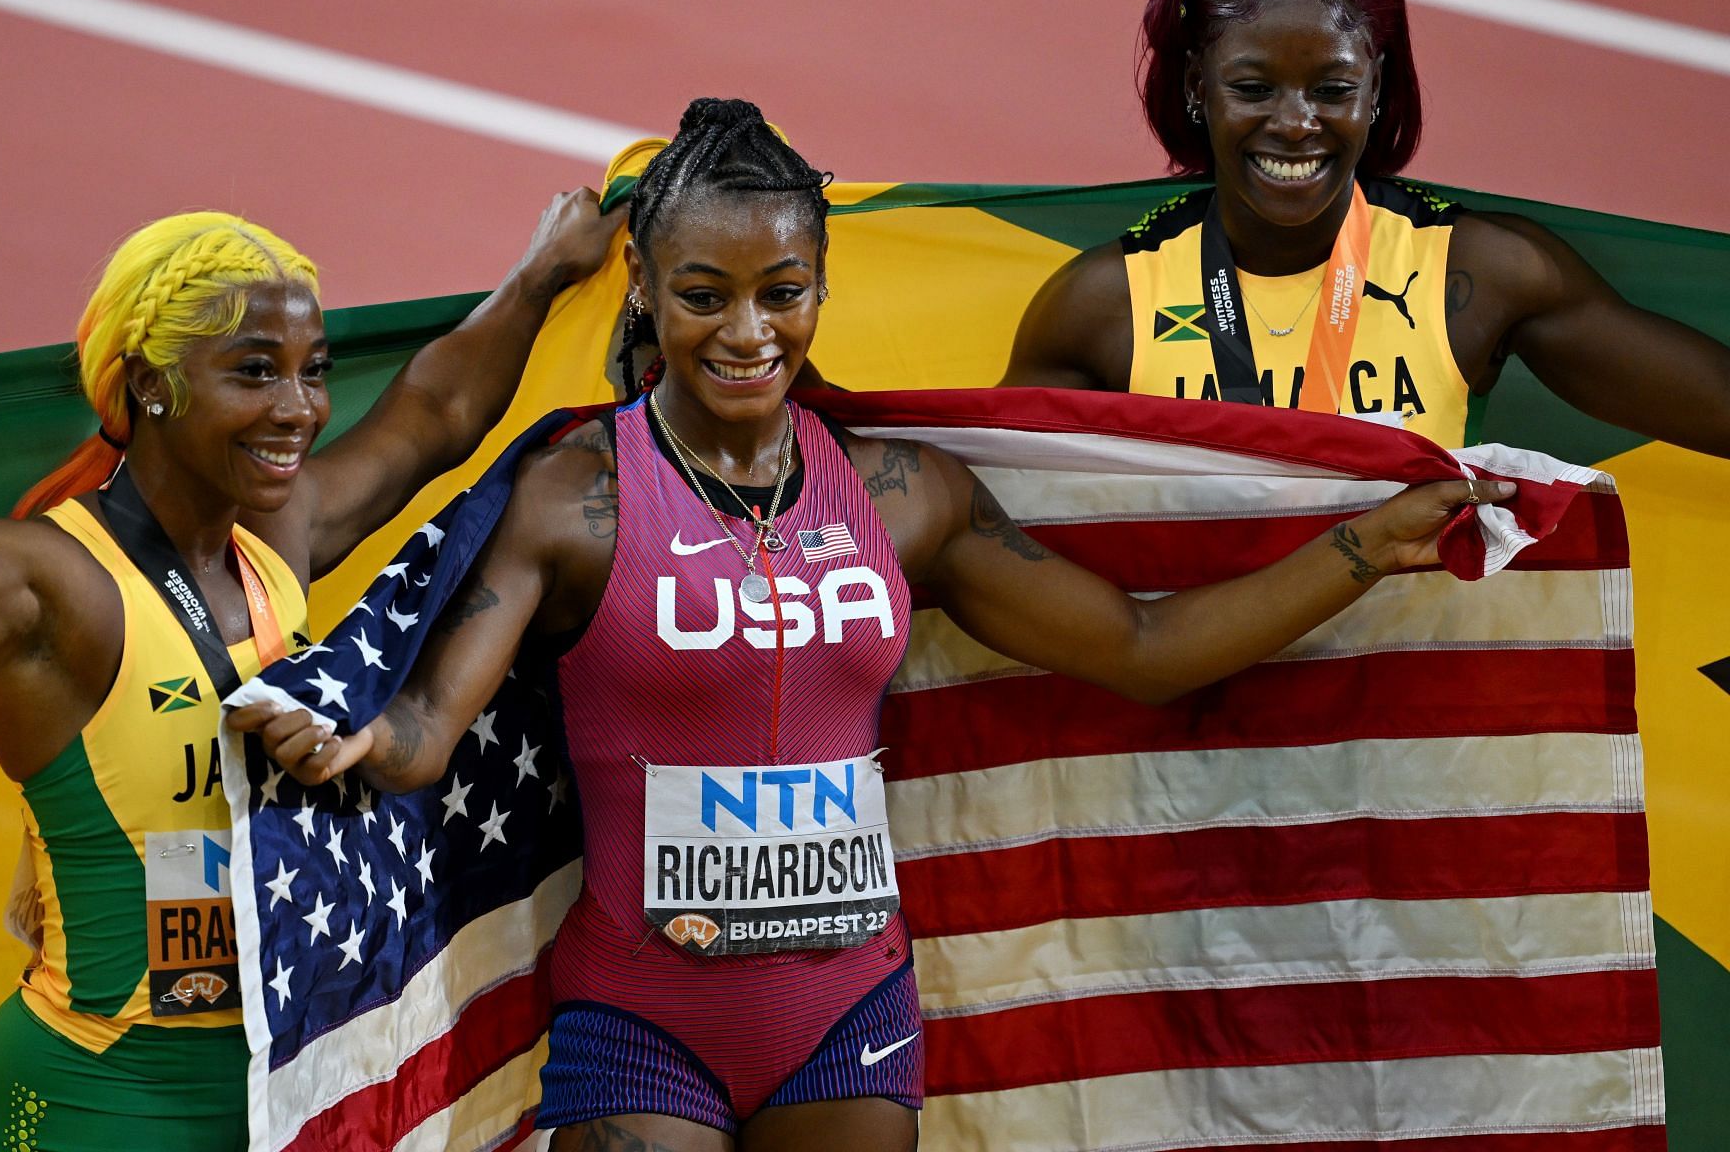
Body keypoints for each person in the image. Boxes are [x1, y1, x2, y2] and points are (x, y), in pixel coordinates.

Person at [233, 98, 1508, 1152]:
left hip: (850, 1021)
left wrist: (1361, 546)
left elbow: (1140, 647)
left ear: (822, 285)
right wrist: (345, 742)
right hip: (641, 1014)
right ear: (644, 286)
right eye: (703, 294)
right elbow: (426, 721)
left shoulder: (904, 494)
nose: (746, 330)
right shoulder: (579, 499)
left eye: (782, 290)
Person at [0, 194, 623, 1149]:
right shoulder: (51, 591)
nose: (299, 410)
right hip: (91, 1098)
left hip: (283, 1095)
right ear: (153, 384)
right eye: (254, 374)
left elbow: (437, 412)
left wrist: (540, 277)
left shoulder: (275, 540)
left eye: (312, 372)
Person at [1003, 0, 1730, 454]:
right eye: (1253, 88)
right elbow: (984, 520)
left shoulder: (1480, 274)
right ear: (1199, 88)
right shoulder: (1105, 307)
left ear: (1376, 90)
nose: (1295, 123)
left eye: (1333, 88)